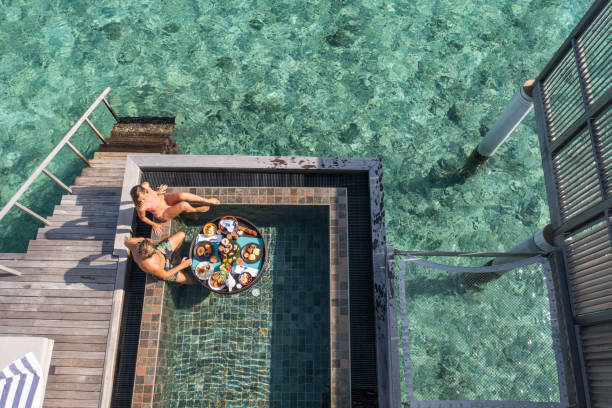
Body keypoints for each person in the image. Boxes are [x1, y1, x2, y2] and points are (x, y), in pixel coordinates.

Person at [130, 182, 220, 234]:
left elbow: (149, 187)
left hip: (165, 199)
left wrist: (158, 192)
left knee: (182, 195)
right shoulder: (141, 207)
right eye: (139, 200)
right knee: (183, 205)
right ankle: (196, 209)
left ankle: (207, 200)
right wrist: (154, 224)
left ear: (144, 191)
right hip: (163, 213)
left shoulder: (145, 185)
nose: (142, 201)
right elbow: (143, 218)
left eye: (143, 198)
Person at [124, 231, 195, 284]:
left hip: (162, 252)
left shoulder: (136, 246)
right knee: (190, 280)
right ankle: (177, 283)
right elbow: (165, 275)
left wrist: (142, 239)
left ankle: (175, 256)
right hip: (165, 269)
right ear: (152, 254)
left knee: (181, 235)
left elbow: (126, 242)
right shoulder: (150, 265)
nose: (150, 240)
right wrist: (182, 265)